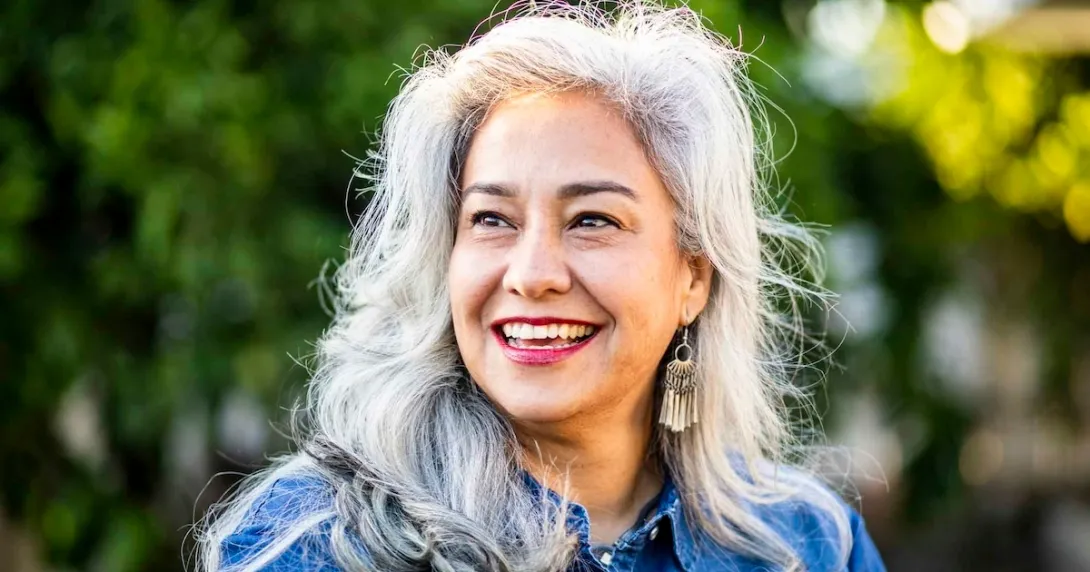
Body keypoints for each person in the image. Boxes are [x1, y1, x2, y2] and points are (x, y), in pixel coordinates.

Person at [196, 1, 886, 570]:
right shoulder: (316, 545)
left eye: (592, 220)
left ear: (693, 277)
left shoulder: (810, 546)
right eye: (492, 219)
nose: (531, 276)